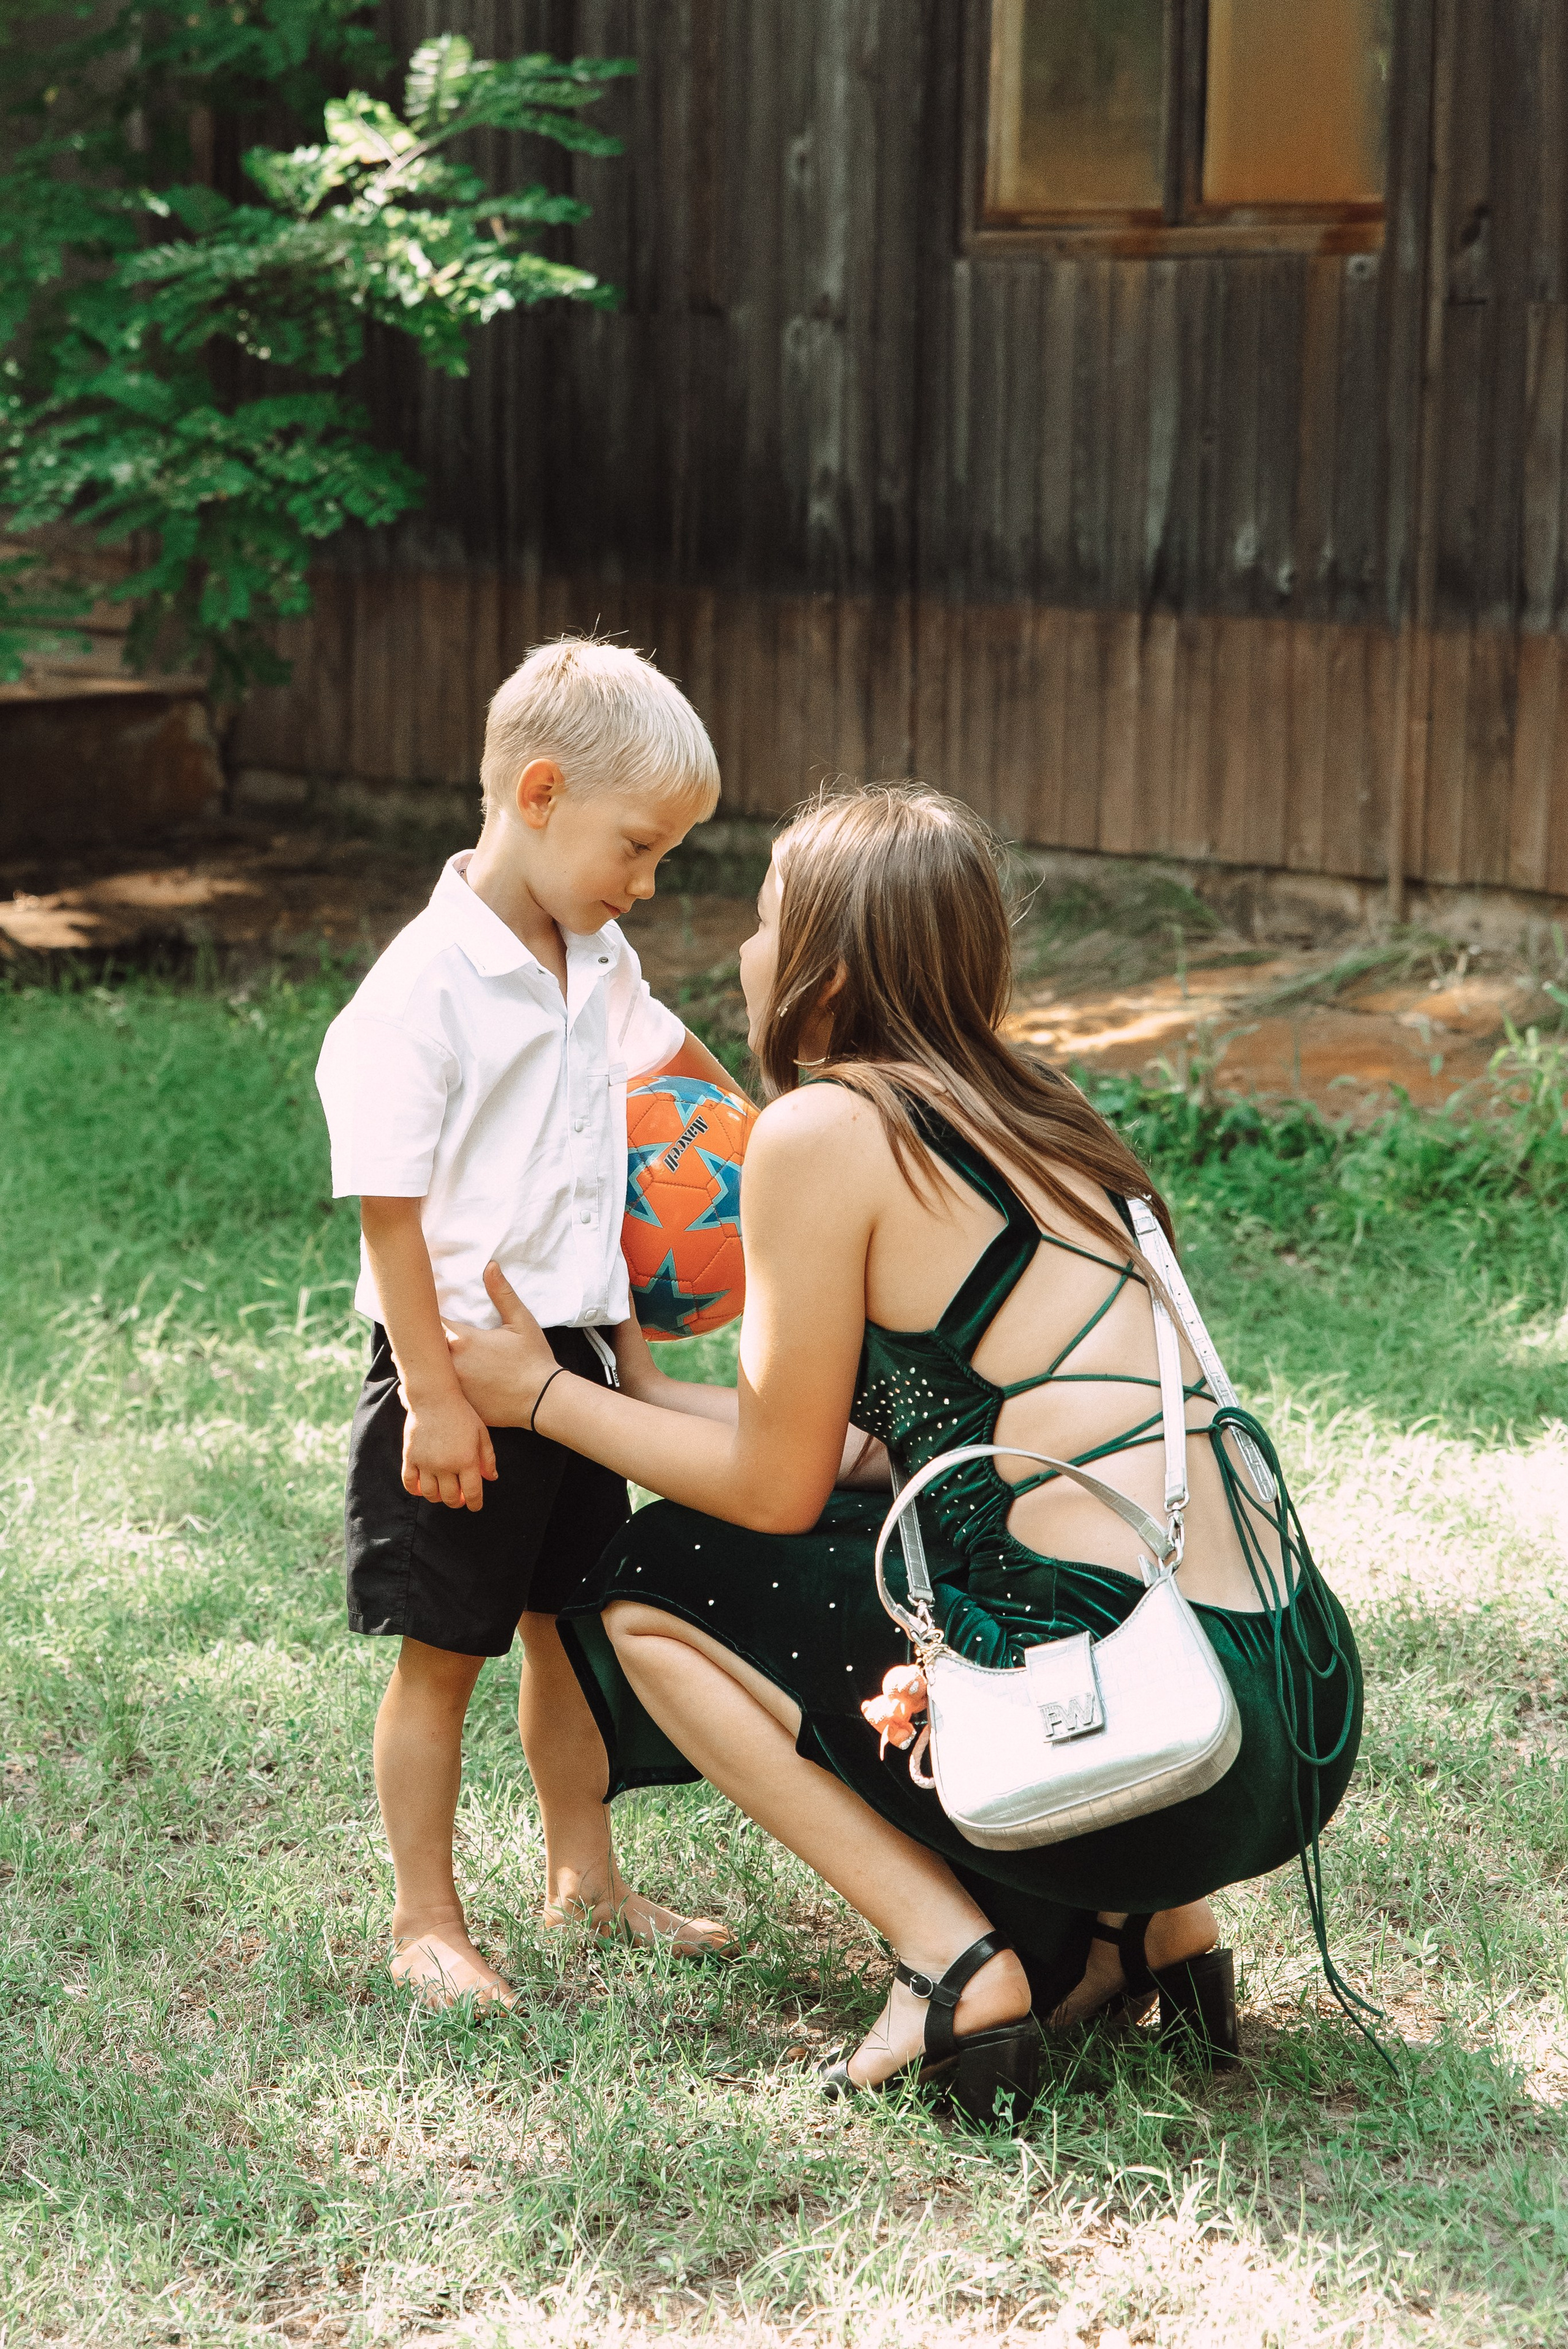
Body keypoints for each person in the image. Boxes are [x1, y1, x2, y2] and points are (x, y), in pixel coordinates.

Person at [445, 784, 1363, 2117]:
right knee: (871, 1541)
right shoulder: (1036, 1111)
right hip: (1272, 1711)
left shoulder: (824, 1130)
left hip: (1148, 1741)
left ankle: (950, 1965)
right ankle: (1139, 1928)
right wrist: (643, 1386)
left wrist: (538, 1398)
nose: (746, 953)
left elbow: (771, 1486)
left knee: (648, 1580)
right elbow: (852, 1454)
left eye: (762, 921)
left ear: (817, 966)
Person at [314, 636, 747, 2010]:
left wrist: (780, 1139)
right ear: (542, 792)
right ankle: (425, 1920)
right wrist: (435, 1396)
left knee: (577, 1621)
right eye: (638, 843)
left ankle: (585, 1880)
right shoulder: (422, 989)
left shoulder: (590, 953)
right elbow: (391, 1216)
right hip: (452, 1363)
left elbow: (674, 1072)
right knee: (444, 1652)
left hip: (567, 1358)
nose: (646, 881)